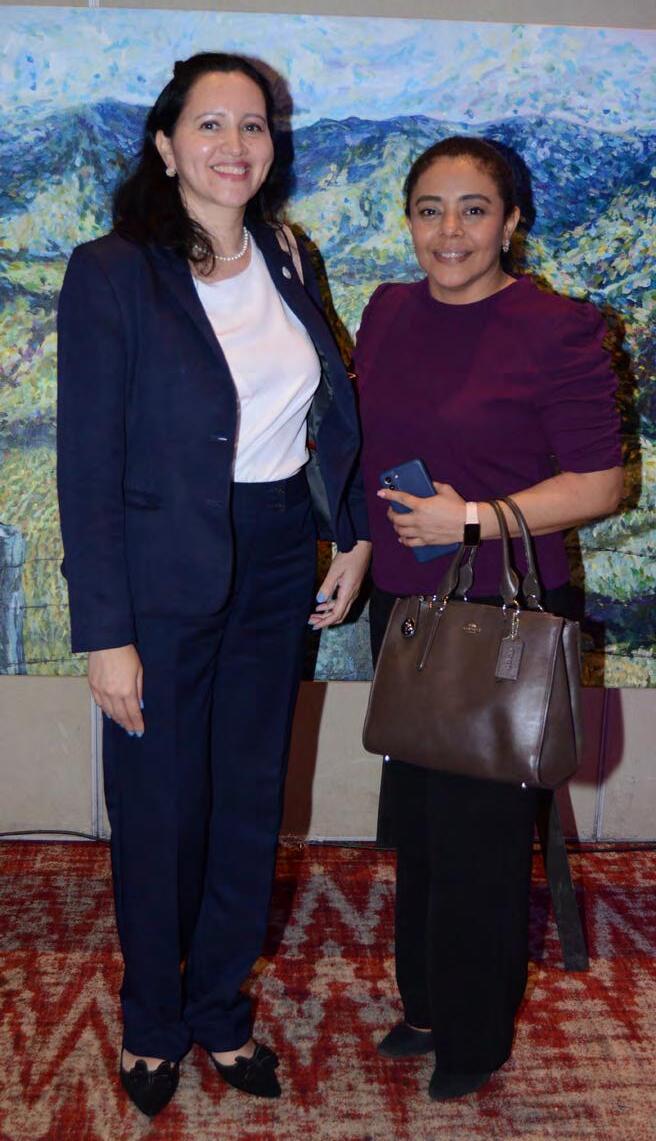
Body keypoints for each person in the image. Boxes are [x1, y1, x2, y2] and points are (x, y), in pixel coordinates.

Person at [57, 51, 370, 1116]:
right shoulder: (112, 271)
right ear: (164, 144)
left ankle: (222, 1009)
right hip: (158, 572)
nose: (234, 144)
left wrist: (349, 533)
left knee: (246, 797)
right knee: (158, 807)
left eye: (254, 125)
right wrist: (105, 631)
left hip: (276, 554)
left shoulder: (286, 252)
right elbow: (86, 464)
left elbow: (327, 405)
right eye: (209, 124)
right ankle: (153, 1019)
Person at [354, 136, 622, 1101]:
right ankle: (426, 1003)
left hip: (504, 611)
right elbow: (372, 452)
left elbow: (599, 483)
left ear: (511, 221)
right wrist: (358, 547)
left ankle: (473, 1036)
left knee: (482, 839)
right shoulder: (387, 311)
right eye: (430, 209)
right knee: (421, 825)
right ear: (409, 220)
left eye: (474, 209)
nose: (450, 231)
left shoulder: (558, 328)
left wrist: (471, 518)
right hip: (407, 602)